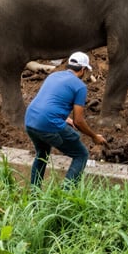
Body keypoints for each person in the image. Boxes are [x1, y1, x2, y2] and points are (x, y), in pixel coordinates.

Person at [24, 51, 107, 188]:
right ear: (83, 69)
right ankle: (65, 195)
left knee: (42, 153)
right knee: (81, 154)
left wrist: (65, 118)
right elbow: (79, 122)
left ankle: (34, 195)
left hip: (30, 119)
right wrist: (94, 136)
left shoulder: (54, 76)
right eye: (86, 71)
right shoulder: (80, 87)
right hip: (48, 123)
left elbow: (50, 101)